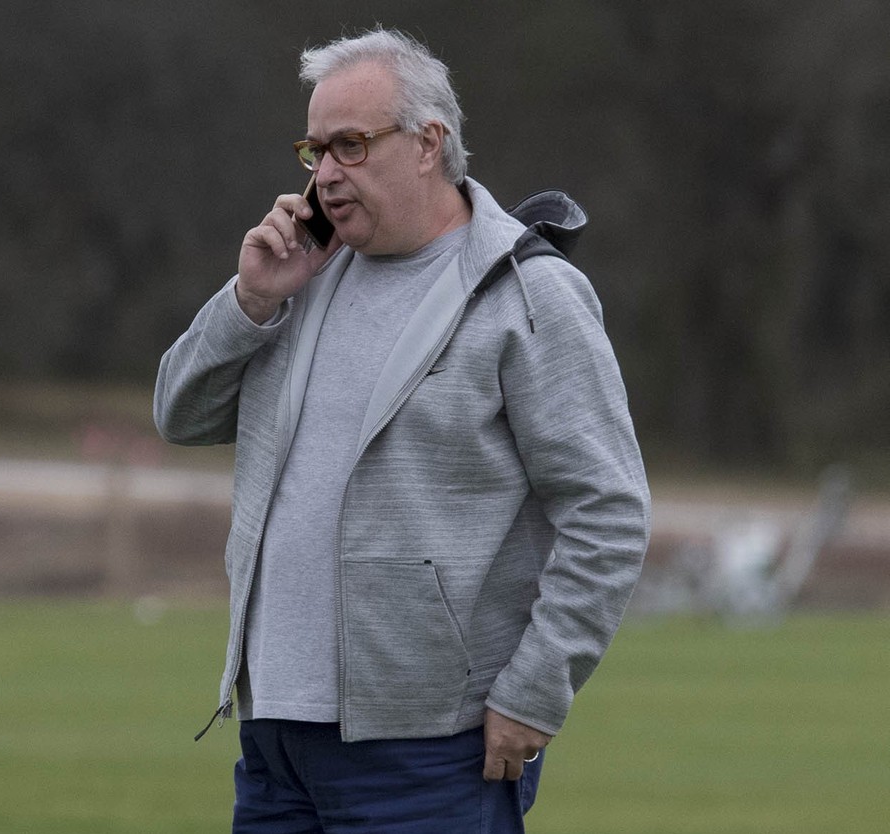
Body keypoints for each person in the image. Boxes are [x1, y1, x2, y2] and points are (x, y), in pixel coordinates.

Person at [154, 27, 650, 834]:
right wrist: (250, 301)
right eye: (315, 152)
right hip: (274, 736)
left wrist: (535, 690)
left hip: (432, 748)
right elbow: (180, 413)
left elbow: (609, 511)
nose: (326, 174)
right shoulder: (300, 276)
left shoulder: (532, 294)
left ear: (428, 144)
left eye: (350, 145)